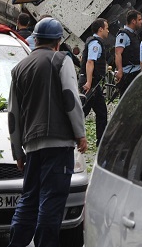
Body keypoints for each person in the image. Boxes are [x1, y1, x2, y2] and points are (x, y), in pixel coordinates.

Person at [7, 17, 88, 247]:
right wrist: (80, 133)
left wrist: (18, 152)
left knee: (29, 200)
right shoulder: (61, 60)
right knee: (51, 203)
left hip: (32, 147)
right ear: (58, 42)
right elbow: (71, 99)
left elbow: (13, 115)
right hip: (58, 144)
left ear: (36, 39)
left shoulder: (19, 68)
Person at [79, 17, 109, 146]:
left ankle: (101, 141)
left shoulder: (95, 42)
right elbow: (90, 62)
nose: (108, 31)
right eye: (107, 28)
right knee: (82, 111)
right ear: (100, 29)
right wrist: (89, 83)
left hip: (94, 84)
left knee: (101, 112)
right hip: (90, 83)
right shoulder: (95, 43)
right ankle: (72, 136)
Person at [115, 9, 142, 96]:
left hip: (136, 71)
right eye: (139, 19)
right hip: (129, 74)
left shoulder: (134, 34)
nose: (141, 21)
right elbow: (118, 53)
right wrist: (120, 71)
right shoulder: (123, 35)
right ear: (133, 21)